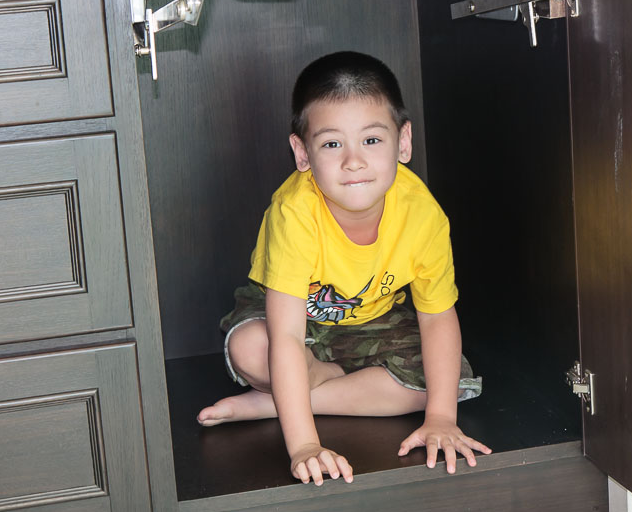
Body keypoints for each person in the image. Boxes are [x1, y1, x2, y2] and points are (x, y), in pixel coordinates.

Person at [197, 51, 489, 486]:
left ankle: (280, 401)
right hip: (295, 317)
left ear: (403, 142)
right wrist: (304, 446)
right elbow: (287, 336)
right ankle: (304, 389)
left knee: (443, 383)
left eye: (371, 140)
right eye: (332, 144)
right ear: (302, 153)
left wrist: (442, 419)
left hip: (372, 318)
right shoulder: (294, 212)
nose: (354, 161)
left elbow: (436, 317)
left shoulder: (423, 215)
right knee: (250, 349)